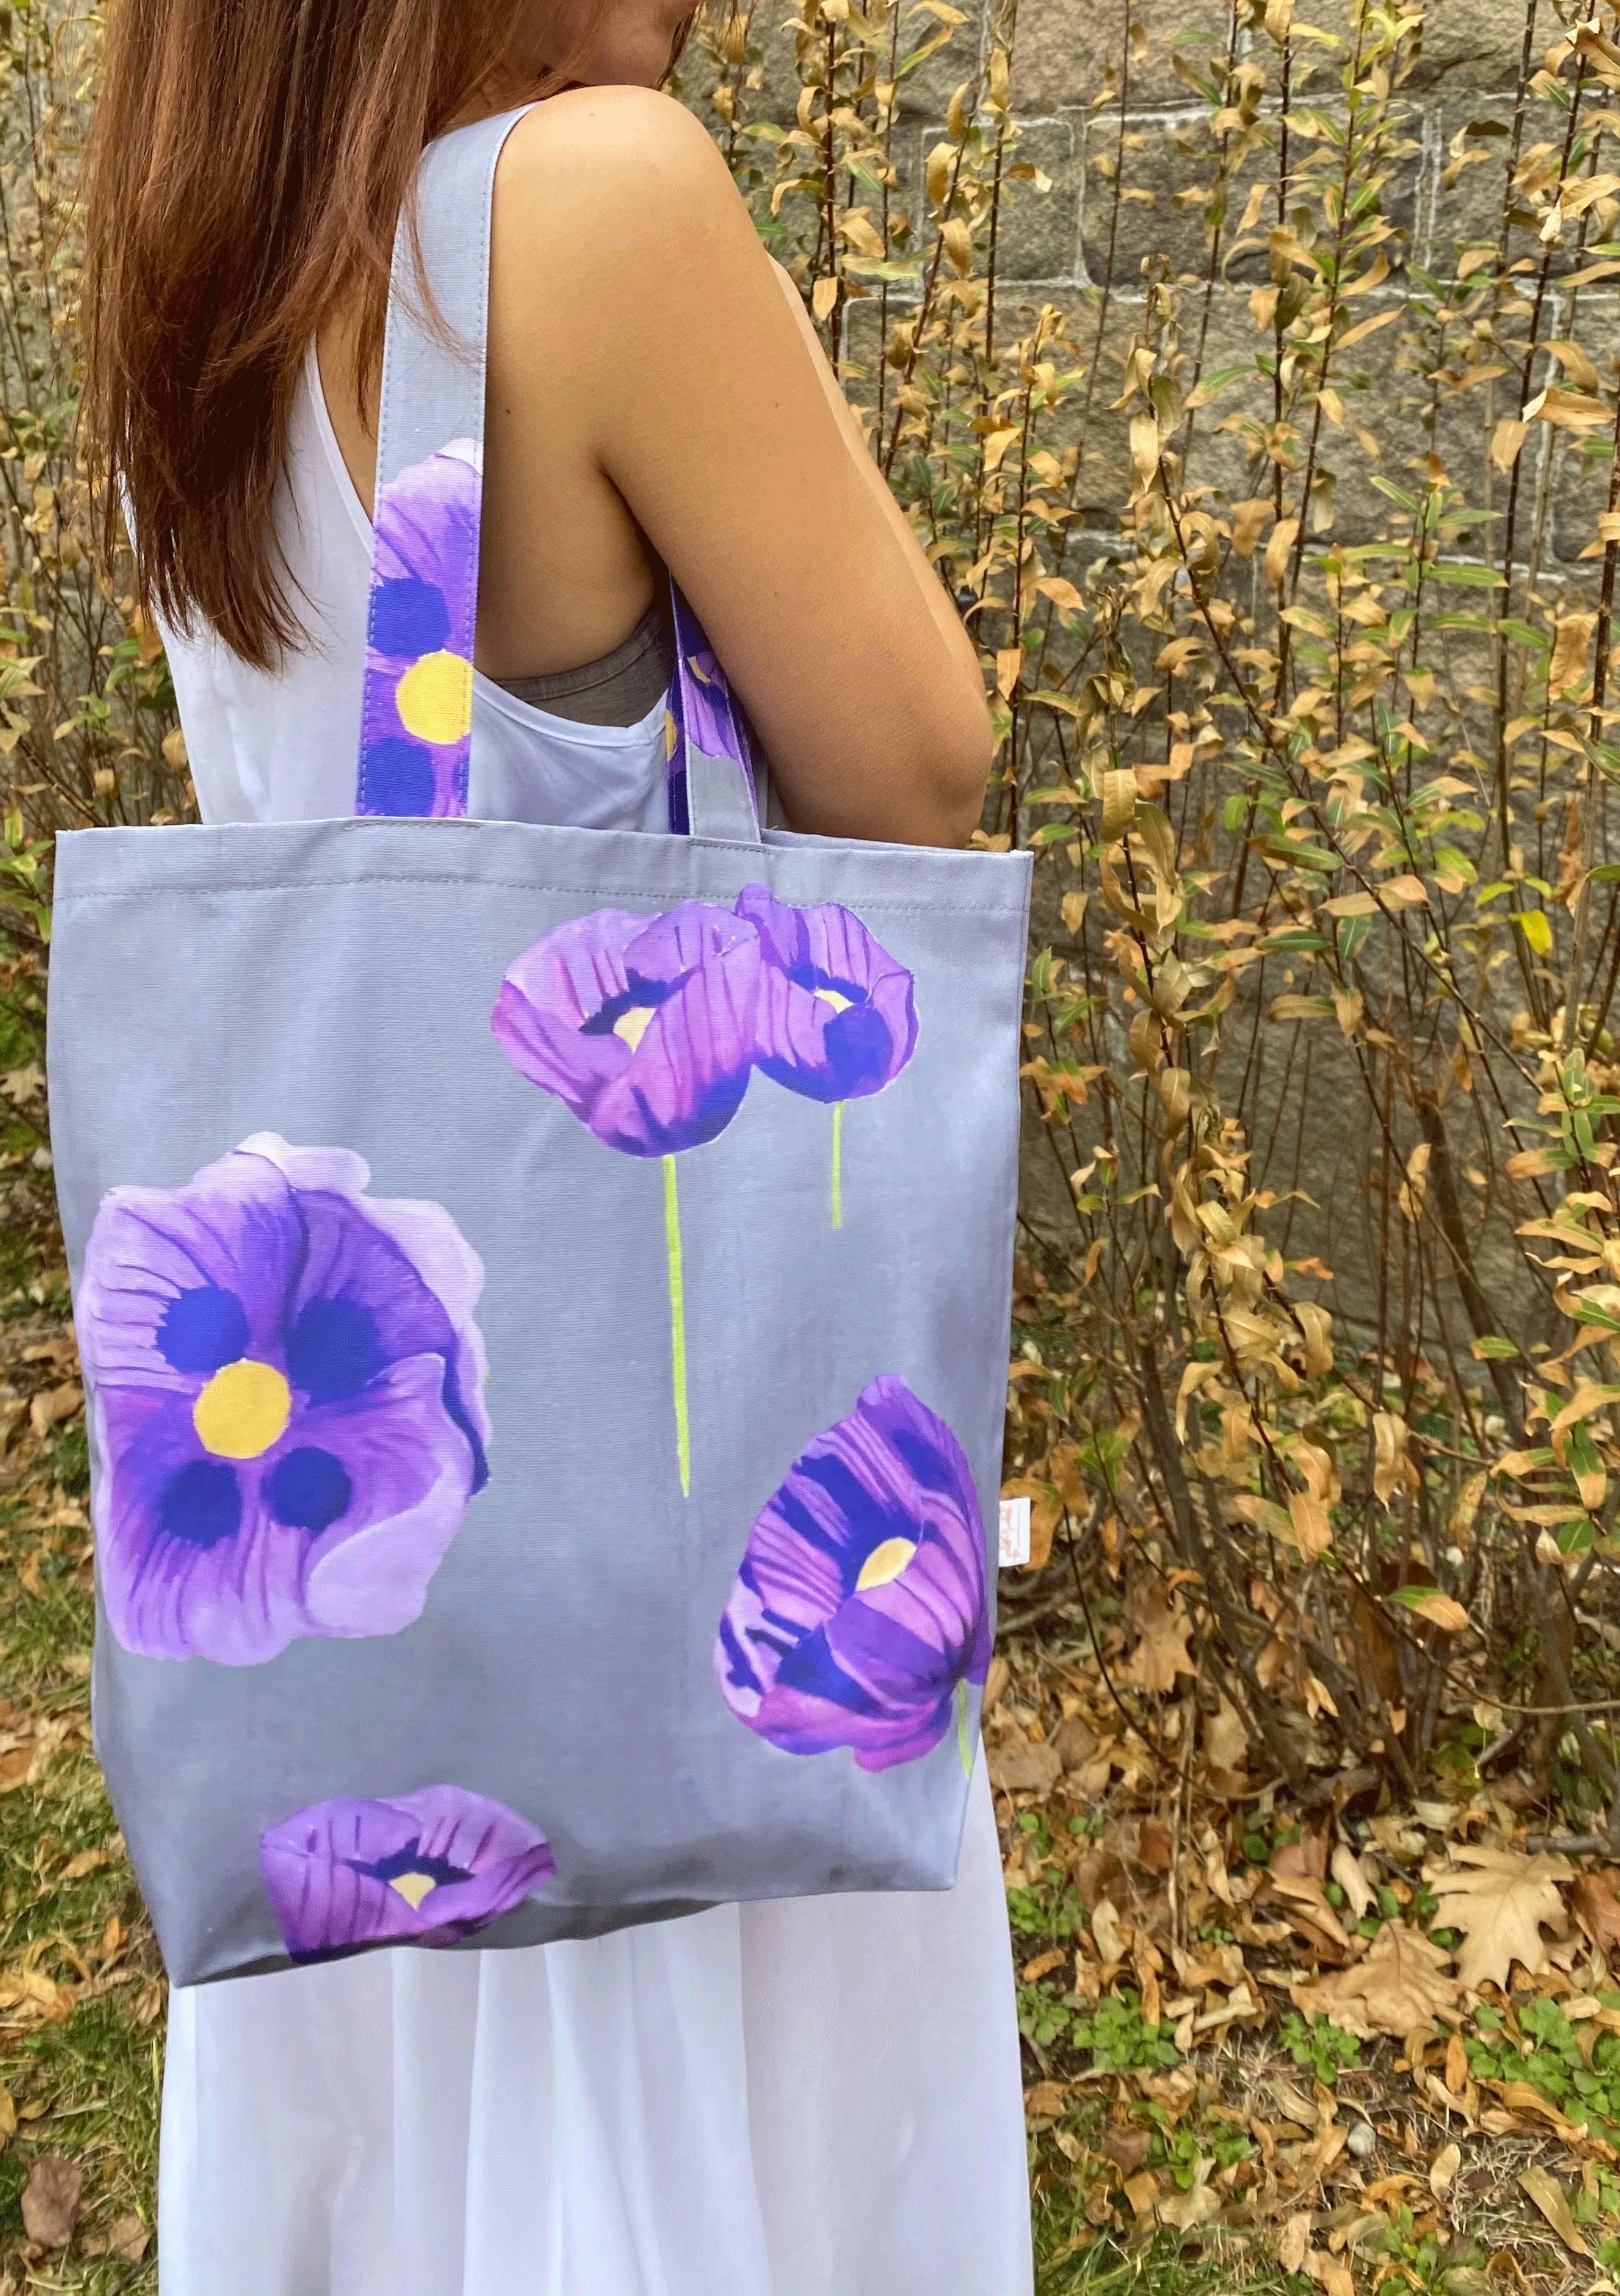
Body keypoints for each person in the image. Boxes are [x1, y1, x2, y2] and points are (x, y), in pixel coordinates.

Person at [84, 3, 1033, 2290]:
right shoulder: (590, 200)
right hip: (665, 1614)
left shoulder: (206, 283)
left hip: (365, 1688)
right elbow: (918, 764)